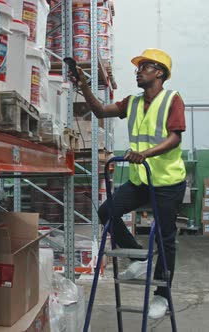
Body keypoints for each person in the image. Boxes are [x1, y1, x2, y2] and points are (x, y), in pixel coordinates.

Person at [69, 48, 186, 319]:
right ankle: (139, 258)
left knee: (165, 238)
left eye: (145, 67)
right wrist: (84, 84)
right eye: (138, 67)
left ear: (159, 72)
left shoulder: (172, 99)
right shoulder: (132, 102)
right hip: (140, 179)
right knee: (106, 211)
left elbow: (175, 137)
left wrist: (144, 153)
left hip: (168, 181)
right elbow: (99, 111)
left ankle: (162, 297)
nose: (138, 71)